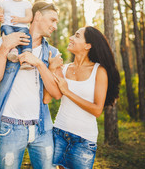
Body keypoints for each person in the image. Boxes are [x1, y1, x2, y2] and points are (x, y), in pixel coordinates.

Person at [0, 1, 62, 169]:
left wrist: (41, 65)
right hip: (9, 128)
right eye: (52, 20)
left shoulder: (52, 53)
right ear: (38, 16)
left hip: (43, 129)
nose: (55, 26)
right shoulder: (4, 42)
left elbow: (56, 94)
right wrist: (5, 48)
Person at [45, 26, 120, 169]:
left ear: (88, 45)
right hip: (59, 133)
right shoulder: (64, 69)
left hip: (83, 140)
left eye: (77, 36)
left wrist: (67, 92)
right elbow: (48, 97)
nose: (71, 38)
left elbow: (97, 110)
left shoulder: (99, 71)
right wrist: (51, 68)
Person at [0, 0, 34, 70]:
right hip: (8, 25)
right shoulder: (4, 2)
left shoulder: (26, 4)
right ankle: (13, 50)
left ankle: (26, 56)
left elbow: (29, 18)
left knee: (26, 36)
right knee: (8, 32)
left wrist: (20, 19)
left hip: (21, 26)